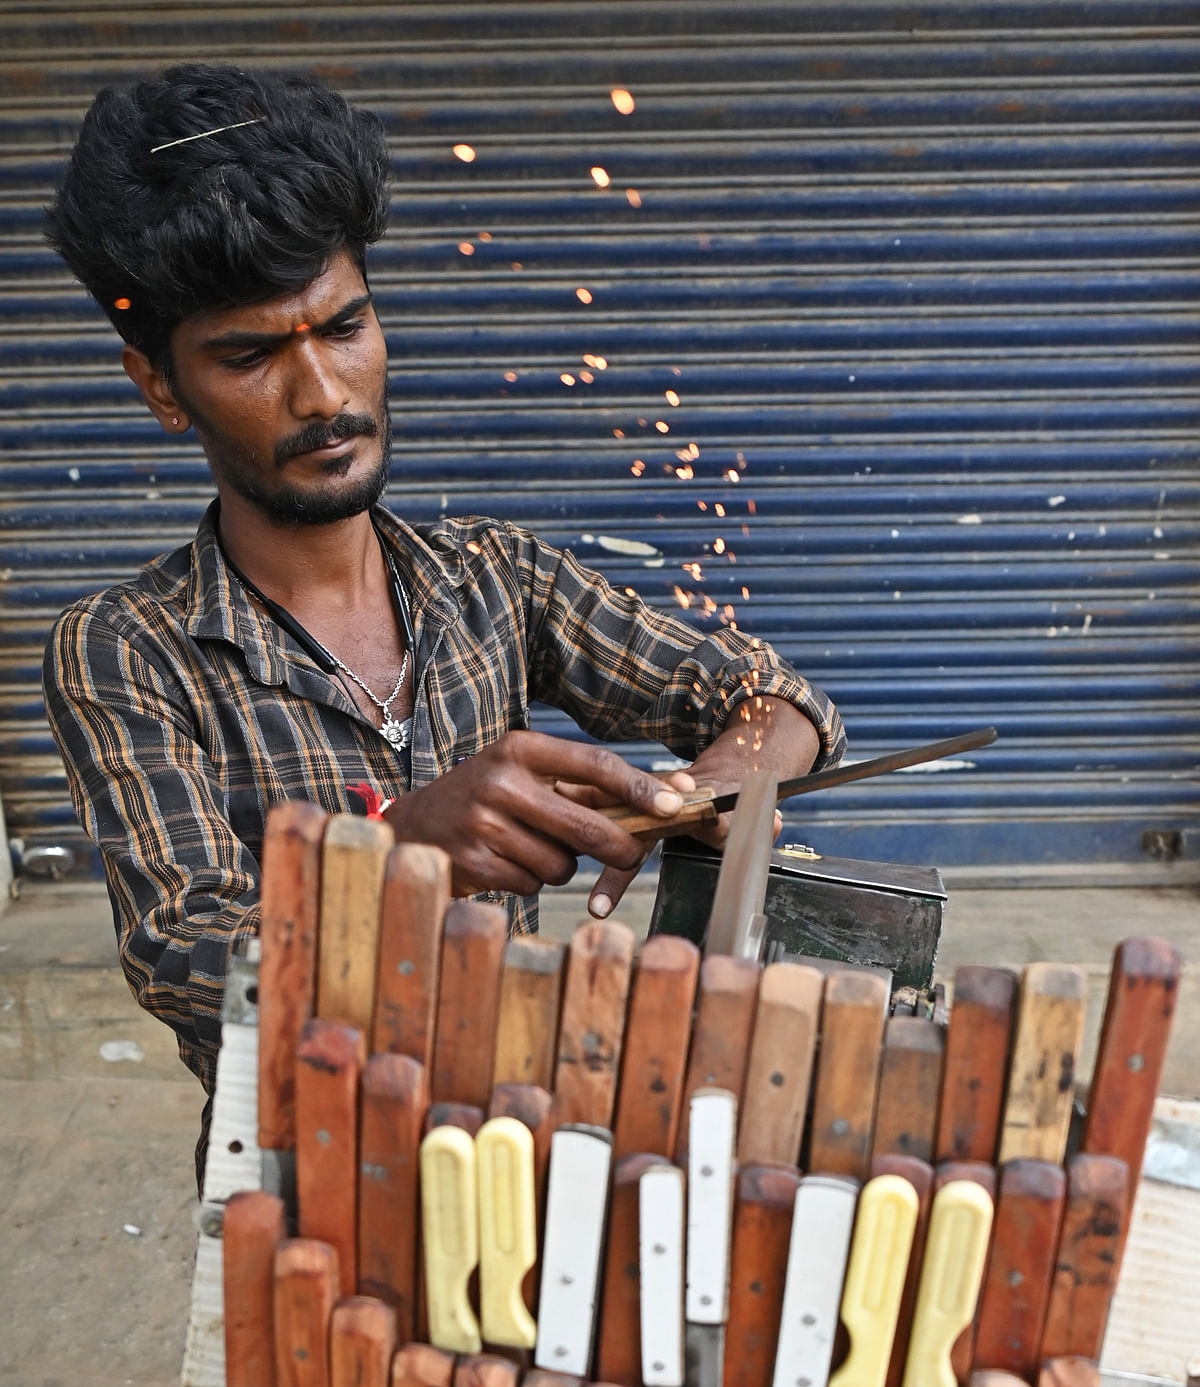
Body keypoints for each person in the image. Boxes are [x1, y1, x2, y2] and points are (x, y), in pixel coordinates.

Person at [42, 63, 844, 1177]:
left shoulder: (493, 577)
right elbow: (185, 953)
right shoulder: (126, 647)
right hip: (299, 1168)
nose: (322, 391)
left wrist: (691, 797)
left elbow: (774, 698)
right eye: (251, 354)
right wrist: (397, 849)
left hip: (516, 1140)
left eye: (344, 324)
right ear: (160, 386)